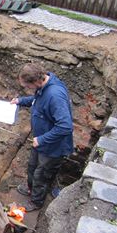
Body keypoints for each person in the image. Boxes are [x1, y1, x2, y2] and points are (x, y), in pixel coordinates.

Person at [11, 63, 73, 212]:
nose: (29, 89)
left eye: (28, 86)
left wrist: (42, 139)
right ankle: (31, 188)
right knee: (32, 166)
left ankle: (36, 201)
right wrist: (20, 101)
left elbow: (65, 126)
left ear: (37, 81)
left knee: (41, 174)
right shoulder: (44, 86)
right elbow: (36, 100)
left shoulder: (54, 95)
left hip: (53, 147)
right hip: (40, 142)